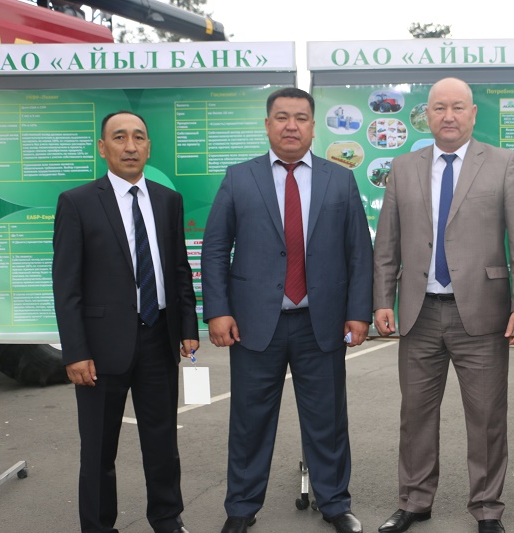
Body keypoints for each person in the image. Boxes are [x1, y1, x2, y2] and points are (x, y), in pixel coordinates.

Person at [372, 77, 514, 533]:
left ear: (472, 113)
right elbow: (387, 244)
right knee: (415, 416)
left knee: (486, 418)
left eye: (458, 107)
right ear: (426, 115)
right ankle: (414, 500)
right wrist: (382, 299)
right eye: (439, 107)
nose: (449, 116)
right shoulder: (402, 168)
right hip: (419, 312)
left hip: (483, 315)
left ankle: (487, 508)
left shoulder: (502, 163)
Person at [201, 87, 372, 533]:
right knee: (250, 421)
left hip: (322, 322)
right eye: (281, 117)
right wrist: (217, 310)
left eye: (300, 117)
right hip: (256, 325)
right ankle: (241, 508)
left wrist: (359, 313)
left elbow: (358, 252)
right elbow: (216, 248)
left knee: (327, 421)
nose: (291, 125)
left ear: (313, 127)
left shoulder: (340, 180)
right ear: (267, 125)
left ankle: (335, 503)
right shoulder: (239, 177)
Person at [53, 111, 199, 533]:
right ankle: (98, 526)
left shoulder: (168, 200)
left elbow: (179, 269)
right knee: (99, 449)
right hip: (100, 349)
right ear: (103, 148)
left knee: (162, 442)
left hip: (159, 337)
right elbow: (66, 285)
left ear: (149, 147)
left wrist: (188, 327)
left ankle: (167, 519)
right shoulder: (77, 202)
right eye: (119, 137)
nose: (130, 146)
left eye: (139, 137)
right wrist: (75, 351)